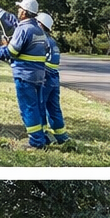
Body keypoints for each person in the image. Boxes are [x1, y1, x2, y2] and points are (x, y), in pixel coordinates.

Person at [0, 0, 50, 148]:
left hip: (25, 75)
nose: (18, 11)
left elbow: (12, 52)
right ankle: (41, 137)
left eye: (20, 8)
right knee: (36, 106)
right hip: (38, 75)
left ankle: (36, 142)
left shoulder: (23, 29)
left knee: (28, 108)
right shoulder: (39, 30)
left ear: (24, 12)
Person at [39, 12, 69, 145]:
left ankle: (43, 135)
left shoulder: (41, 40)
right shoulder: (53, 42)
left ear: (41, 24)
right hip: (54, 78)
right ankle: (62, 137)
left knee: (40, 105)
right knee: (54, 108)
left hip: (45, 77)